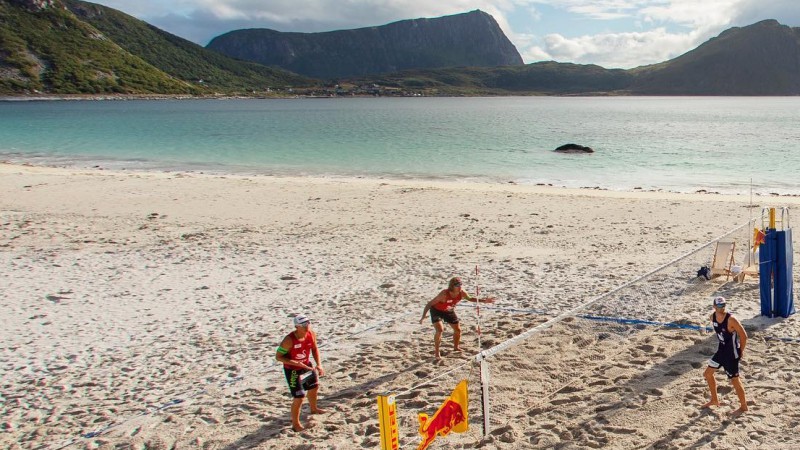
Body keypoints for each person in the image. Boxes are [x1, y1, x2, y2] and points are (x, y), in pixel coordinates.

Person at [420, 277, 496, 358]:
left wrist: (484, 300)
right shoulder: (444, 294)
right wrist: (423, 316)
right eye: (457, 285)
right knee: (440, 330)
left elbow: (470, 298)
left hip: (449, 310)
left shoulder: (462, 293)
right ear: (452, 286)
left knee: (458, 330)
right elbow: (429, 303)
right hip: (436, 311)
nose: (460, 287)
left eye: (460, 284)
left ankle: (456, 347)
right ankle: (437, 352)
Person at [276, 314, 326, 431]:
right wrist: (295, 363)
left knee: (314, 387)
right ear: (297, 326)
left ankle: (314, 409)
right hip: (292, 369)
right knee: (299, 397)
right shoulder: (288, 340)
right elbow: (278, 357)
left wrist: (319, 364)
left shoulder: (311, 334)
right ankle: (296, 424)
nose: (307, 326)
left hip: (306, 365)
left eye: (308, 323)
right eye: (304, 324)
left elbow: (314, 348)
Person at [702, 296, 749, 416]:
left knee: (735, 380)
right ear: (714, 307)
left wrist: (740, 351)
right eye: (719, 306)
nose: (721, 308)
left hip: (731, 354)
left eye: (723, 305)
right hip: (721, 352)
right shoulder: (712, 317)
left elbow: (744, 336)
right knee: (707, 374)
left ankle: (743, 406)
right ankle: (714, 400)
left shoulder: (731, 319)